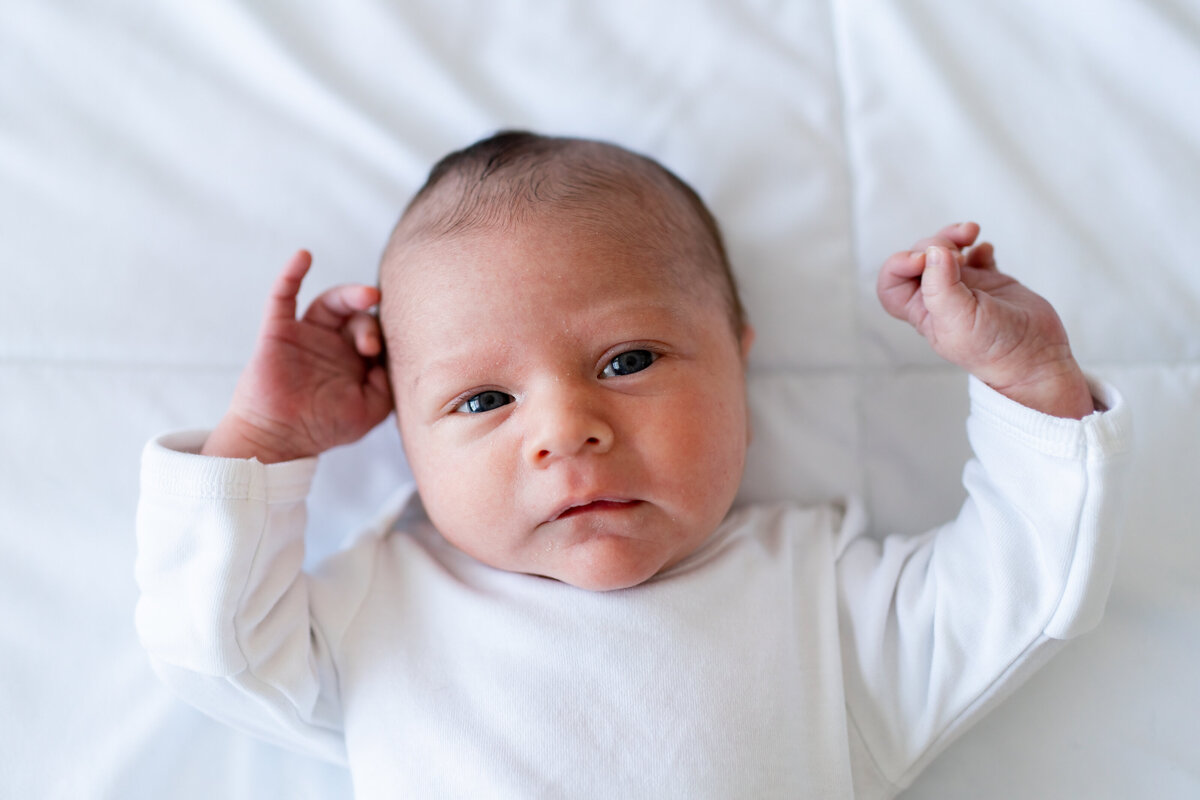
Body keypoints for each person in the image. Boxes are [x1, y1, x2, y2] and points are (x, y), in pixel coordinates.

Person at [135, 131, 1130, 798]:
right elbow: (212, 649)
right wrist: (264, 444)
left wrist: (1027, 379)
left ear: (738, 359)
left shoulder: (815, 599)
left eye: (629, 360)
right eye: (483, 399)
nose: (567, 429)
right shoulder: (380, 598)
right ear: (401, 428)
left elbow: (1023, 586)